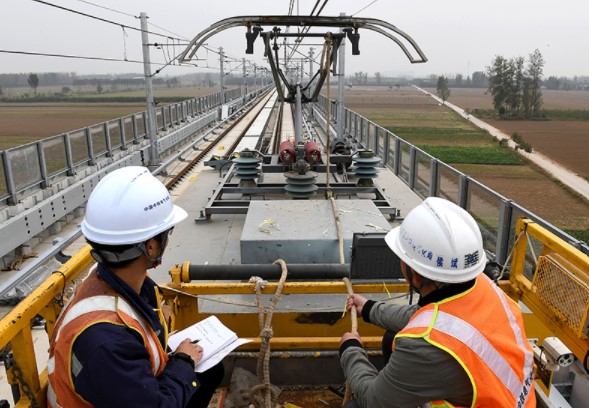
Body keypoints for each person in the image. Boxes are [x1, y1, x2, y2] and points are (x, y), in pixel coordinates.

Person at [47, 166, 224, 407]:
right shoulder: (108, 342)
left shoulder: (104, 280)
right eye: (166, 232)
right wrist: (182, 361)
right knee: (197, 374)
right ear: (151, 247)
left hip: (119, 389)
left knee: (211, 370)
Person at [340, 197, 536, 407]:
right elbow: (429, 319)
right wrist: (370, 309)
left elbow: (374, 401)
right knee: (391, 338)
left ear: (415, 276)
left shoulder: (422, 347)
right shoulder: (481, 285)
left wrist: (350, 350)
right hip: (511, 399)